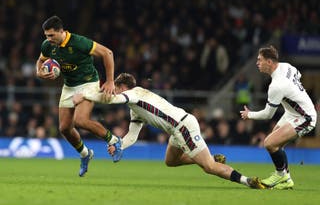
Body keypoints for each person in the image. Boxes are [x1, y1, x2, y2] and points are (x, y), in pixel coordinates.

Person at [74, 73, 267, 189]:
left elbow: (113, 99)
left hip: (183, 128)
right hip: (177, 130)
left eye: (115, 88)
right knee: (171, 161)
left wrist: (85, 95)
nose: (113, 91)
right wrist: (120, 145)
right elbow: (133, 134)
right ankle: (209, 157)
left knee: (209, 168)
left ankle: (247, 180)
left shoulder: (134, 94)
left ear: (122, 86)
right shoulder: (135, 105)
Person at [36, 15, 122, 177]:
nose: (48, 39)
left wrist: (110, 81)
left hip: (88, 83)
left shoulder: (79, 42)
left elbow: (107, 53)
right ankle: (85, 154)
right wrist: (39, 72)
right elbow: (40, 61)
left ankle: (114, 141)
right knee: (64, 128)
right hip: (69, 86)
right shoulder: (48, 45)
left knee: (80, 120)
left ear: (61, 32)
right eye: (46, 35)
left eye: (51, 35)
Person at [240, 45, 317, 189]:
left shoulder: (276, 85)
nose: (257, 63)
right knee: (275, 143)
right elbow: (298, 74)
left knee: (269, 143)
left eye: (260, 60)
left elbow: (268, 114)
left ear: (269, 62)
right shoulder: (287, 66)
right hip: (292, 113)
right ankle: (286, 178)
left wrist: (249, 114)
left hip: (305, 117)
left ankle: (281, 175)